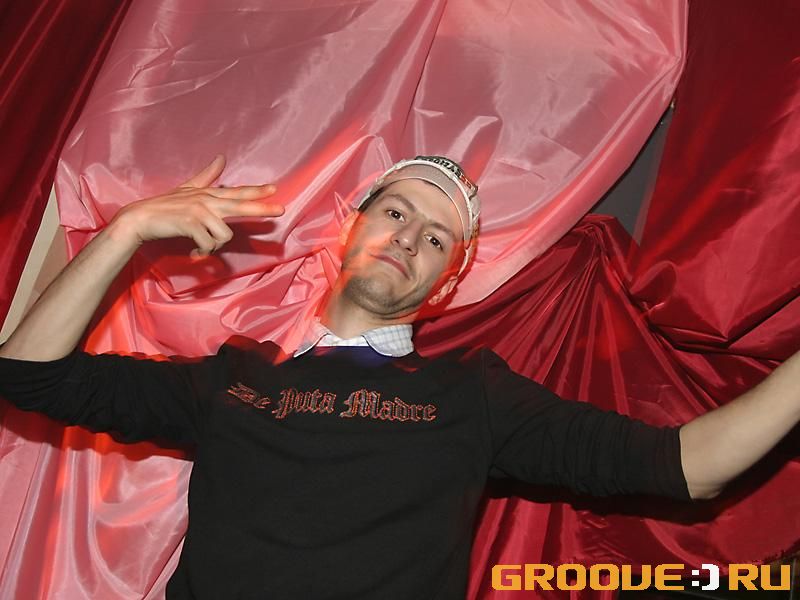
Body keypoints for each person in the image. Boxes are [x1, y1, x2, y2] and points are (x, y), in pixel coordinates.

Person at [0, 154, 798, 599]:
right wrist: (128, 231)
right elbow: (27, 377)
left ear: (445, 285)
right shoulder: (234, 378)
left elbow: (690, 466)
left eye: (438, 239)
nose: (411, 238)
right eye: (395, 212)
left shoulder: (474, 396)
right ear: (349, 231)